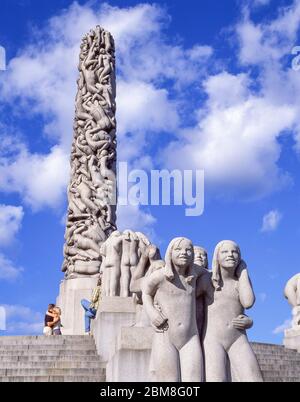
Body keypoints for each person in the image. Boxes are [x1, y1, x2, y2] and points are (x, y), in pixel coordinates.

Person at [198, 240, 263, 382]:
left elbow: (248, 302)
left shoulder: (240, 281)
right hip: (212, 339)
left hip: (238, 337)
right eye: (225, 252)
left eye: (234, 252)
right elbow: (188, 300)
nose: (230, 255)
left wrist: (244, 271)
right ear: (217, 256)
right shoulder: (207, 279)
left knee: (254, 378)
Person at [142, 237, 204, 382]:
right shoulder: (160, 276)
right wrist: (152, 313)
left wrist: (241, 268)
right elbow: (145, 292)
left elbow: (215, 273)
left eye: (189, 250)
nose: (184, 253)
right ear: (170, 252)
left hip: (190, 337)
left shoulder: (194, 275)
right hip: (165, 335)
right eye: (178, 249)